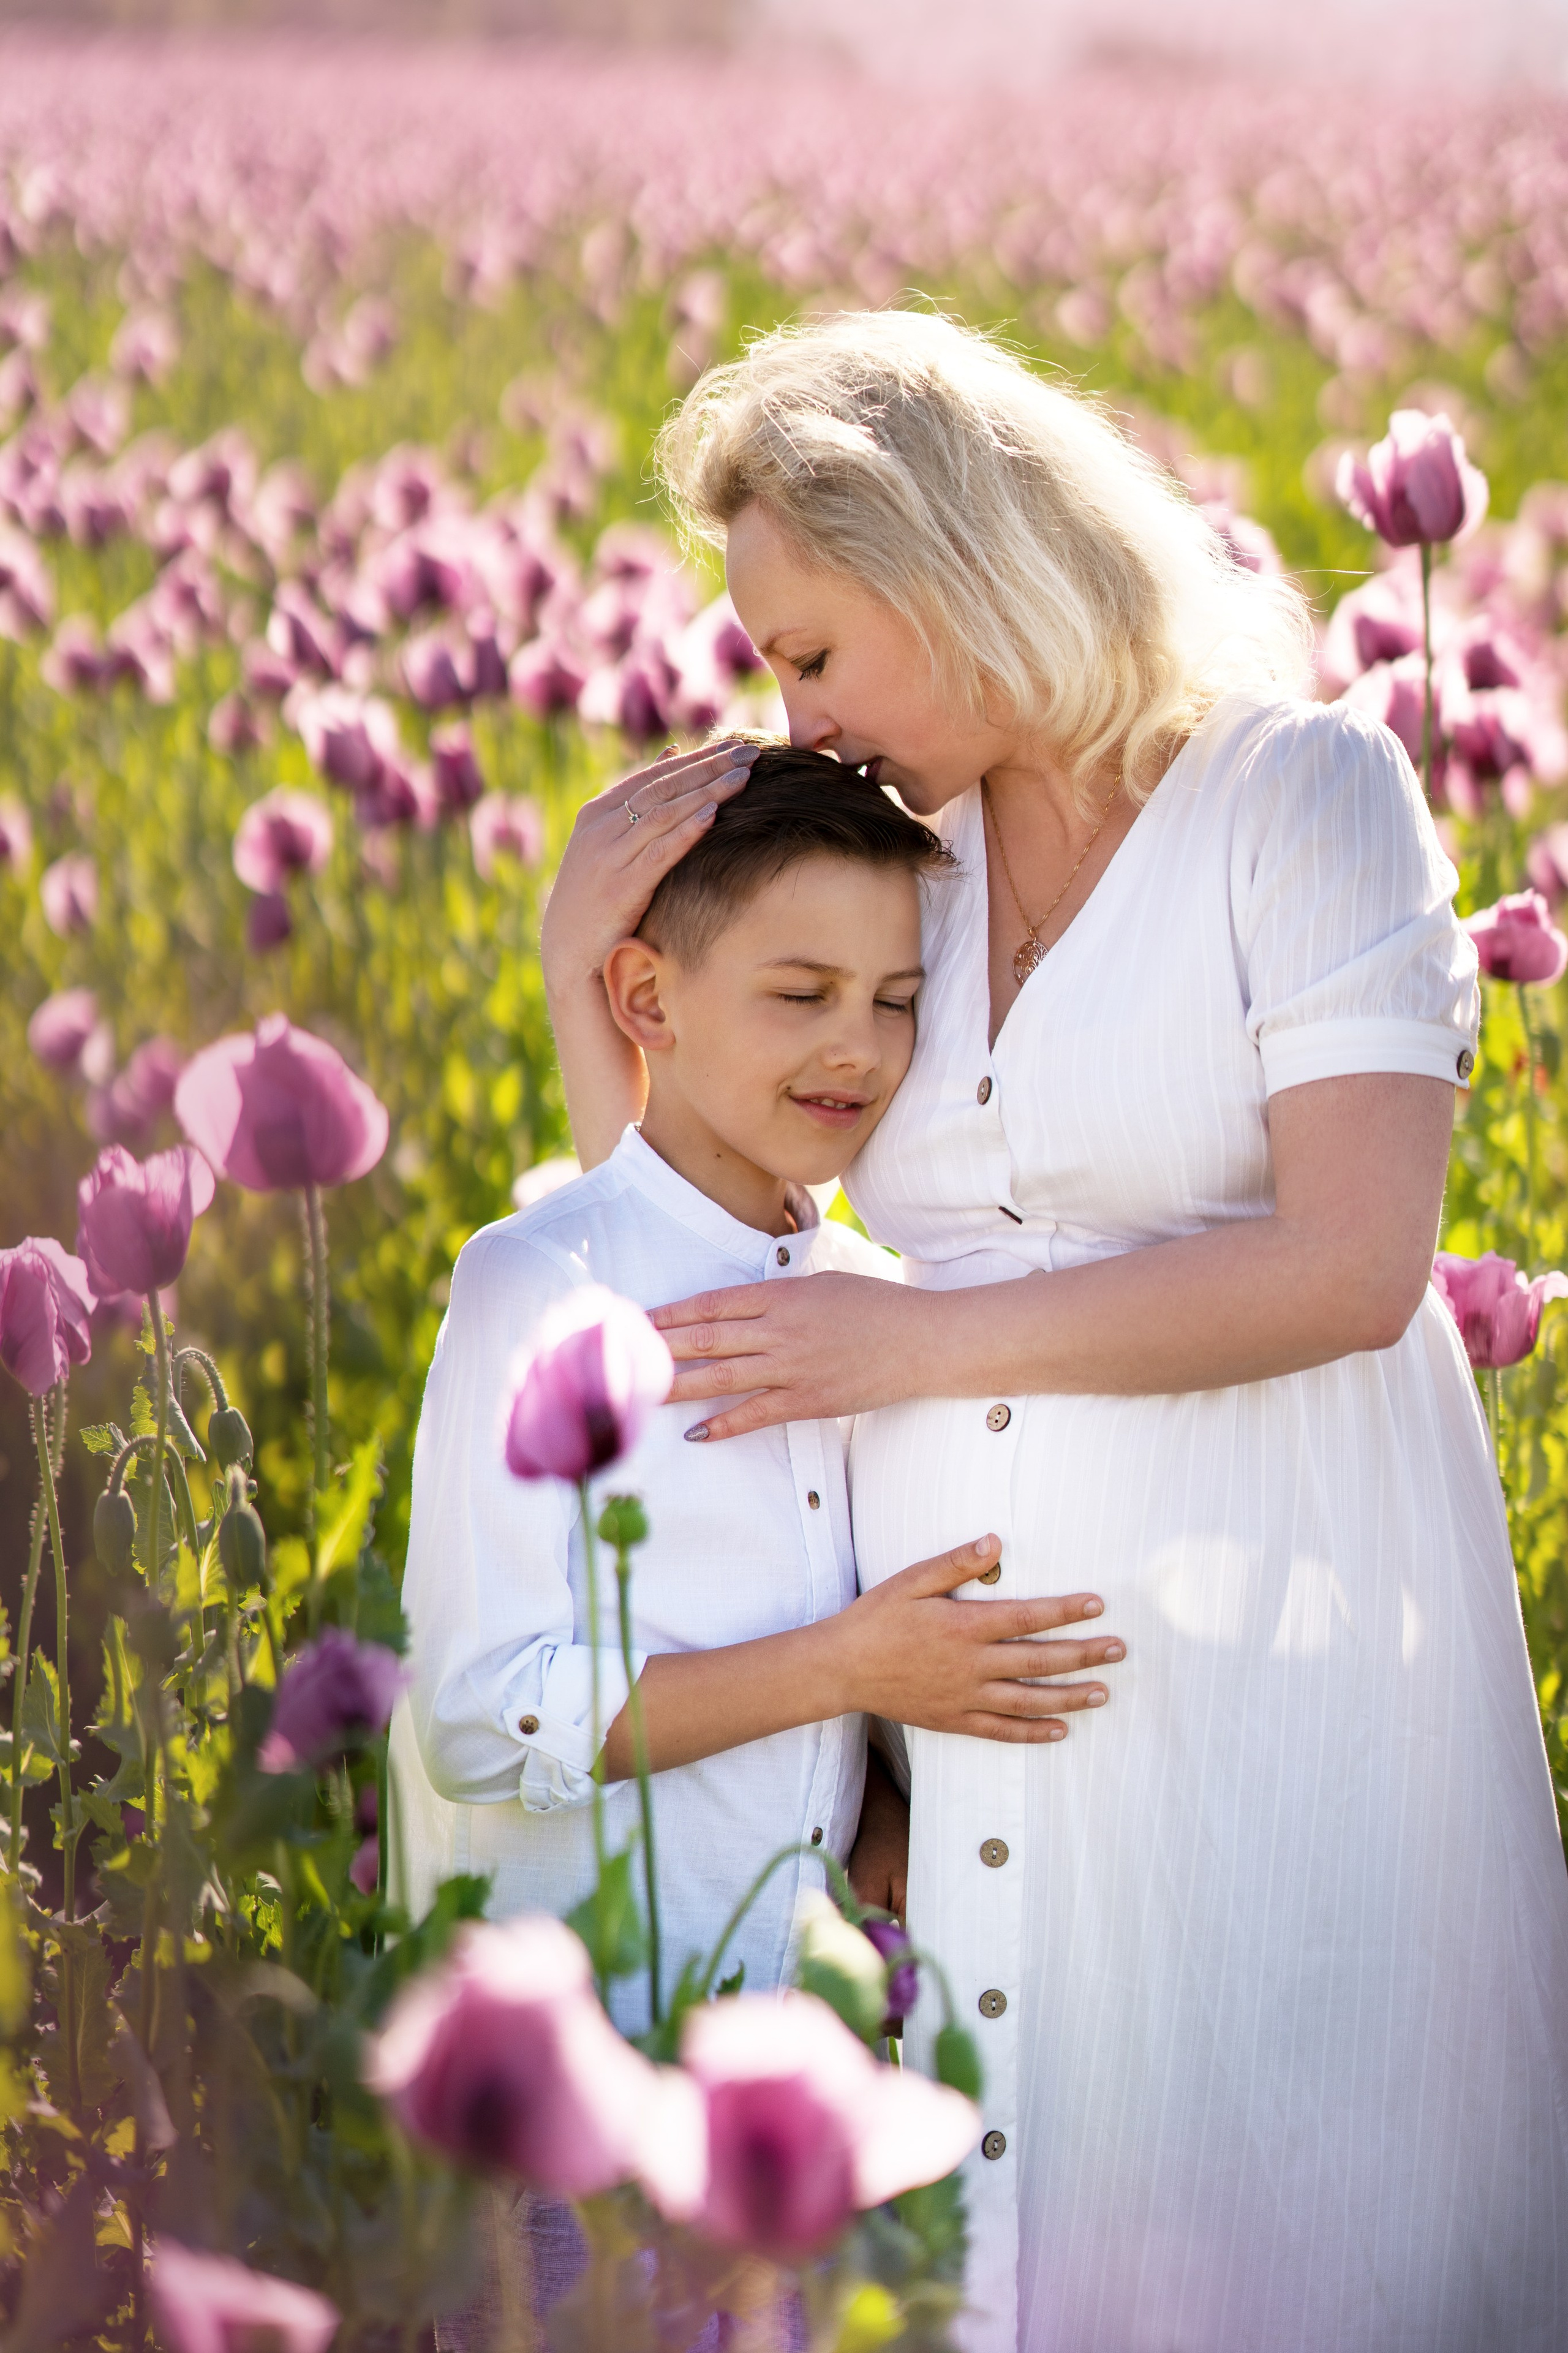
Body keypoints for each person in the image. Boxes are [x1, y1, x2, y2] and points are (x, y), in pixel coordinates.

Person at [541, 309, 1568, 2353]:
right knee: (1029, 2257)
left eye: (811, 649)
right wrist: (599, 976)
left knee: (1307, 2209)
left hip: (1278, 1673)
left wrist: (914, 1345)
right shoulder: (898, 878)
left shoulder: (1307, 796)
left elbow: (1354, 1267)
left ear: (947, 566)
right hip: (979, 1700)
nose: (789, 711)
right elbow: (722, 1278)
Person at [393, 746, 1126, 2340]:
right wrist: (845, 1668)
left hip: (804, 2088)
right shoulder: (543, 1278)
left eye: (894, 997)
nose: (859, 1047)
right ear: (646, 1000)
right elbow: (477, 1706)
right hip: (599, 2085)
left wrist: (873, 1792)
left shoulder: (871, 1285)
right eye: (800, 994)